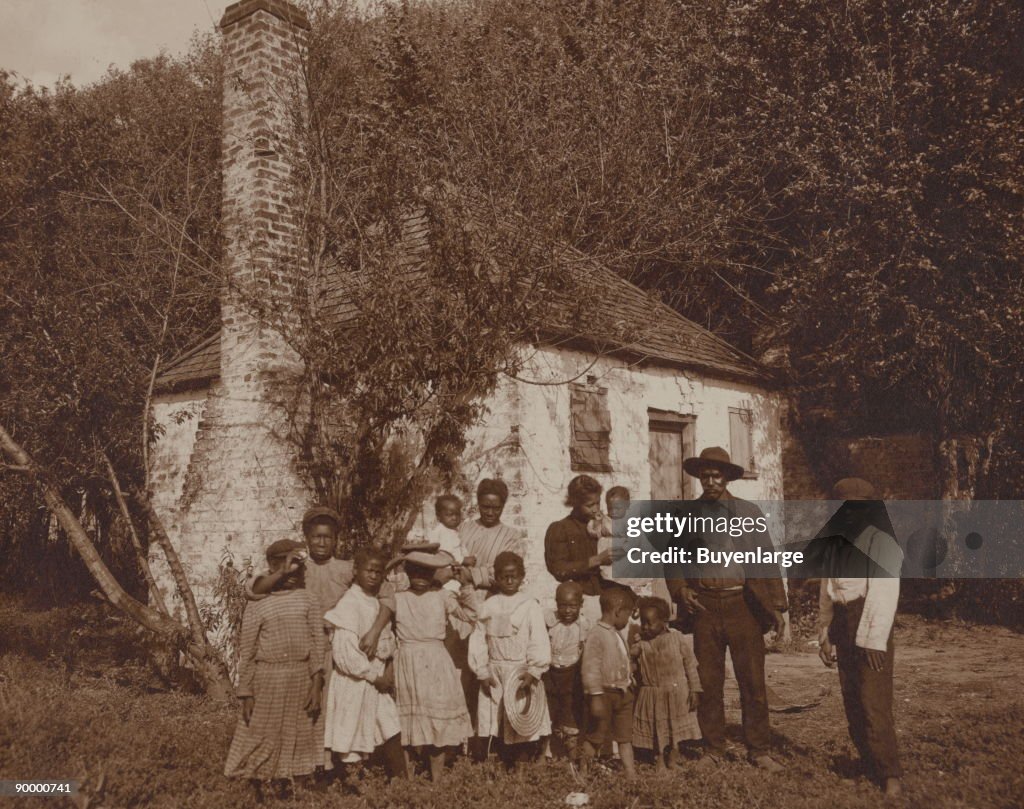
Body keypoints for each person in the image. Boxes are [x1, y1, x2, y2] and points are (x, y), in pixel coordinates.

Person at [665, 447, 787, 772]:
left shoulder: (748, 513)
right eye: (705, 475)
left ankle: (759, 749)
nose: (710, 480)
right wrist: (681, 590)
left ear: (727, 477)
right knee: (708, 683)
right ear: (699, 478)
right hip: (705, 606)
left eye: (716, 475)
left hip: (742, 606)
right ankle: (713, 749)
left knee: (752, 681)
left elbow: (766, 560)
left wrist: (778, 607)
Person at [246, 506, 394, 771]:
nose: (322, 542)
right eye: (316, 537)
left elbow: (387, 596)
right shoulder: (298, 567)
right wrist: (283, 571)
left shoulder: (349, 568)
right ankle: (309, 766)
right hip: (307, 650)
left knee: (338, 707)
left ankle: (341, 764)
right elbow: (254, 591)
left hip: (342, 650)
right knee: (309, 707)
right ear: (306, 537)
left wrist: (373, 631)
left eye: (328, 537)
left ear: (337, 539)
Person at [816, 478, 903, 797]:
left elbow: (883, 593)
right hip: (842, 621)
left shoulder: (881, 543)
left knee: (873, 699)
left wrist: (874, 640)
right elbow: (827, 591)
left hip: (869, 622)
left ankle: (889, 771)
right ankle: (867, 763)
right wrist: (824, 633)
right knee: (851, 698)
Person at [224, 539, 325, 794]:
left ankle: (295, 789)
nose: (292, 574)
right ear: (272, 567)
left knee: (301, 732)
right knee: (261, 732)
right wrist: (246, 692)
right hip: (268, 678)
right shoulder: (259, 601)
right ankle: (254, 788)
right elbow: (247, 650)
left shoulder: (308, 599)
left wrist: (316, 683)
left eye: (297, 568)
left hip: (300, 676)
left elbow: (317, 643)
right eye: (284, 568)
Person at [391, 550, 477, 782]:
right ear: (407, 572)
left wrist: (466, 586)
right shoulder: (398, 597)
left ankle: (436, 780)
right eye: (415, 570)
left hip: (436, 662)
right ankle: (408, 779)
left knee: (437, 720)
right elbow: (379, 589)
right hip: (407, 661)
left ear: (434, 573)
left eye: (426, 571)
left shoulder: (442, 596)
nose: (420, 576)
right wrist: (395, 564)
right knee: (407, 723)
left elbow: (472, 615)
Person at [322, 547, 407, 782]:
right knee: (352, 733)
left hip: (377, 679)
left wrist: (386, 670)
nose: (373, 576)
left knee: (390, 726)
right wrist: (373, 676)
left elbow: (388, 641)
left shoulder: (376, 602)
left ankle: (402, 783)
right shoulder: (350, 603)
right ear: (356, 571)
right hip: (356, 681)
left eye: (378, 572)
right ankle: (354, 788)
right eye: (368, 570)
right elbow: (346, 653)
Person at [468, 551, 552, 768]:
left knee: (521, 719)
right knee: (495, 721)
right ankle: (499, 765)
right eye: (504, 576)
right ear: (496, 577)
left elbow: (539, 639)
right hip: (495, 672)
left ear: (522, 576)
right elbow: (479, 640)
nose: (509, 580)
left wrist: (534, 671)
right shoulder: (489, 605)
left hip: (520, 672)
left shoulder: (529, 605)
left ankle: (522, 768)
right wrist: (482, 672)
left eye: (514, 575)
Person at [632, 596, 702, 772]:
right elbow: (630, 660)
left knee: (674, 730)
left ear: (664, 622)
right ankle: (659, 760)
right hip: (653, 694)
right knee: (658, 729)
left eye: (650, 623)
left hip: (676, 693)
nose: (645, 627)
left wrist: (695, 689)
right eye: (643, 623)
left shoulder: (677, 638)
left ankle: (673, 758)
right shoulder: (642, 643)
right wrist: (634, 646)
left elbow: (690, 665)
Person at [545, 475, 619, 623]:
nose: (596, 509)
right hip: (582, 603)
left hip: (611, 598)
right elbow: (558, 569)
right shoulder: (561, 528)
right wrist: (597, 560)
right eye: (590, 505)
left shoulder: (605, 525)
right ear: (575, 503)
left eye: (598, 503)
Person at [579, 587, 636, 778]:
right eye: (627, 615)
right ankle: (583, 770)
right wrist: (595, 696)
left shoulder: (615, 632)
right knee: (596, 736)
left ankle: (630, 771)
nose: (628, 620)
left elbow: (620, 658)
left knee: (625, 736)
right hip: (603, 694)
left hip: (622, 693)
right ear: (618, 611)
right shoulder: (596, 634)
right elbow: (590, 668)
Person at [543, 581, 592, 758]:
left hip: (572, 675)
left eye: (572, 606)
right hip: (551, 673)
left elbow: (586, 649)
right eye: (563, 606)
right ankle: (542, 754)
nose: (567, 611)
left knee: (570, 715)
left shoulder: (584, 625)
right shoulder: (550, 622)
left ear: (581, 605)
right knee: (547, 714)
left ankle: (572, 758)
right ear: (556, 604)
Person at [458, 479, 527, 591]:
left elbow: (505, 572)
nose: (490, 513)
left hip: (492, 598)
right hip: (457, 595)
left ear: (503, 506)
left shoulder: (512, 537)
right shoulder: (463, 528)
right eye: (485, 507)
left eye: (496, 508)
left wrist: (468, 574)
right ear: (478, 504)